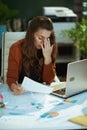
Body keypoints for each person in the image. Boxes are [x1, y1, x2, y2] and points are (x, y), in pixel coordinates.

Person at [7, 16, 58, 95]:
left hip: (41, 93)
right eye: (40, 38)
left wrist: (48, 58)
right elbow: (11, 78)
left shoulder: (49, 46)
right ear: (31, 35)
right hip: (23, 92)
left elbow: (48, 81)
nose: (44, 43)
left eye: (47, 38)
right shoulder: (16, 48)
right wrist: (15, 87)